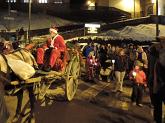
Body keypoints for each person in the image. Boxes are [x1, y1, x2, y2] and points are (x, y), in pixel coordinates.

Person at [148, 36, 165, 123]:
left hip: (160, 83)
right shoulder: (154, 54)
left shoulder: (160, 54)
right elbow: (151, 69)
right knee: (157, 104)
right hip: (156, 83)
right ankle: (157, 120)